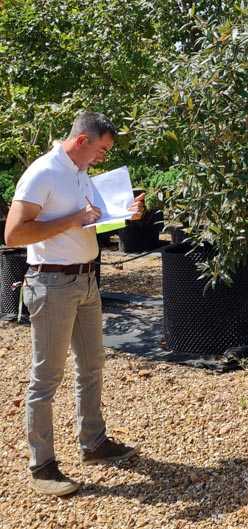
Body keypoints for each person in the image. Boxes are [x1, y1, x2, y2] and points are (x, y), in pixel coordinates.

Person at [5, 112, 145, 496]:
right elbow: (14, 233)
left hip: (85, 280)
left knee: (92, 365)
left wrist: (126, 213)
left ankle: (94, 443)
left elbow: (91, 222)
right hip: (51, 283)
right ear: (82, 141)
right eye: (101, 149)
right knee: (47, 376)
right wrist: (74, 219)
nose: (103, 157)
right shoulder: (43, 172)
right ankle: (42, 466)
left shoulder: (80, 173)